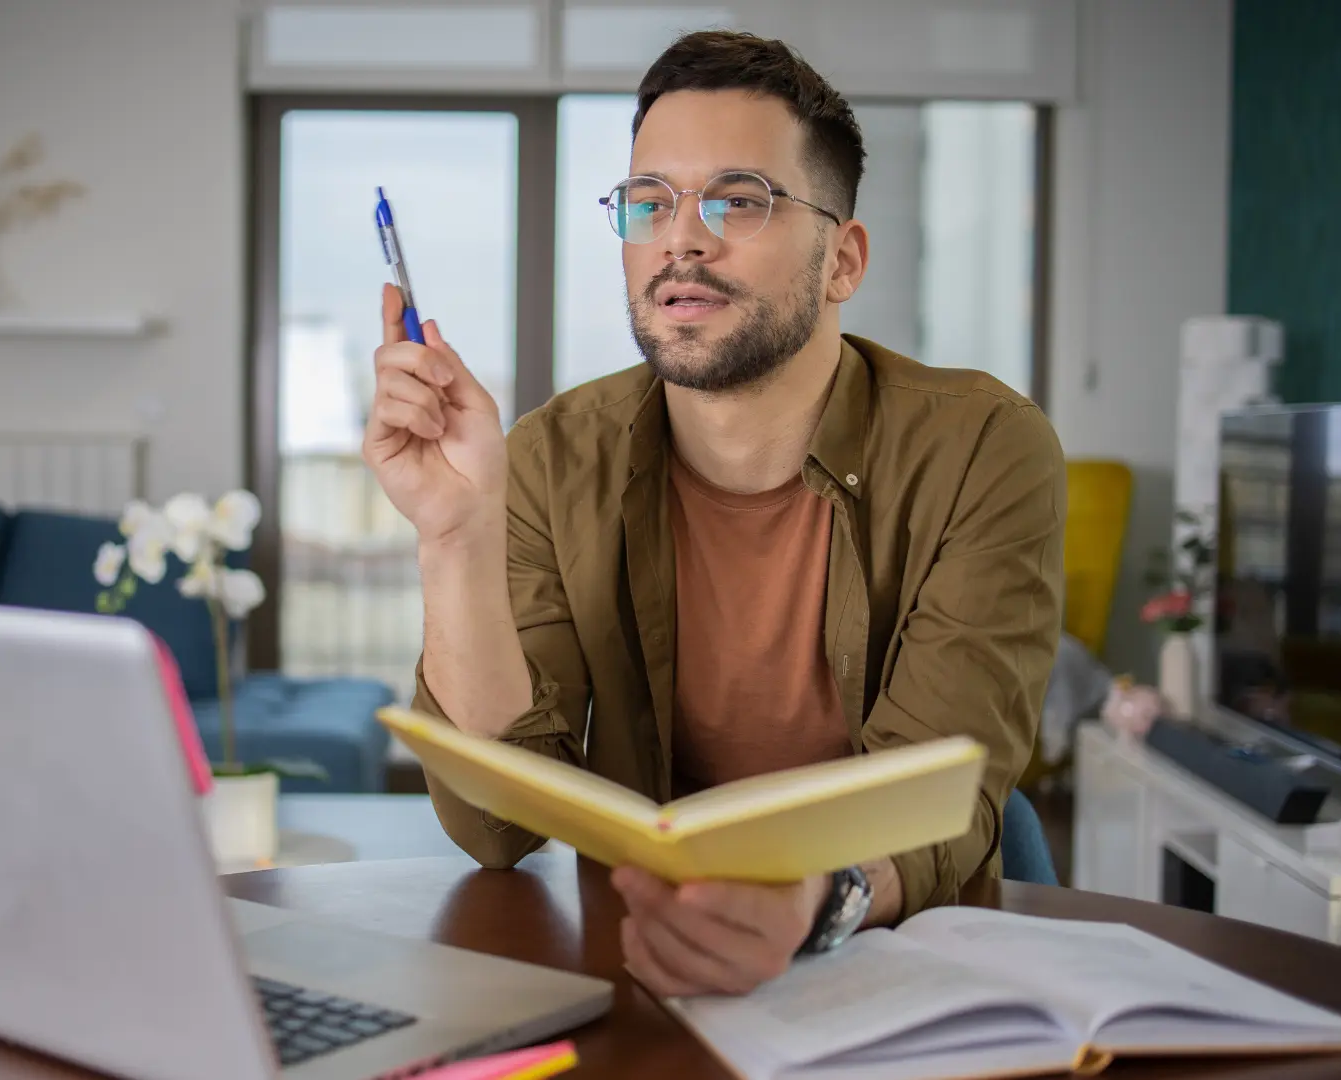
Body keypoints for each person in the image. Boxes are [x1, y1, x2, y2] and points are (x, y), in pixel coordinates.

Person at [361, 30, 1064, 997]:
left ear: (842, 261)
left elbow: (945, 791)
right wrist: (453, 537)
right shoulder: (550, 458)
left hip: (899, 950)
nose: (681, 238)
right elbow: (496, 824)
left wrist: (809, 904)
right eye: (648, 203)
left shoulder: (984, 446)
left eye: (740, 200)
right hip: (656, 950)